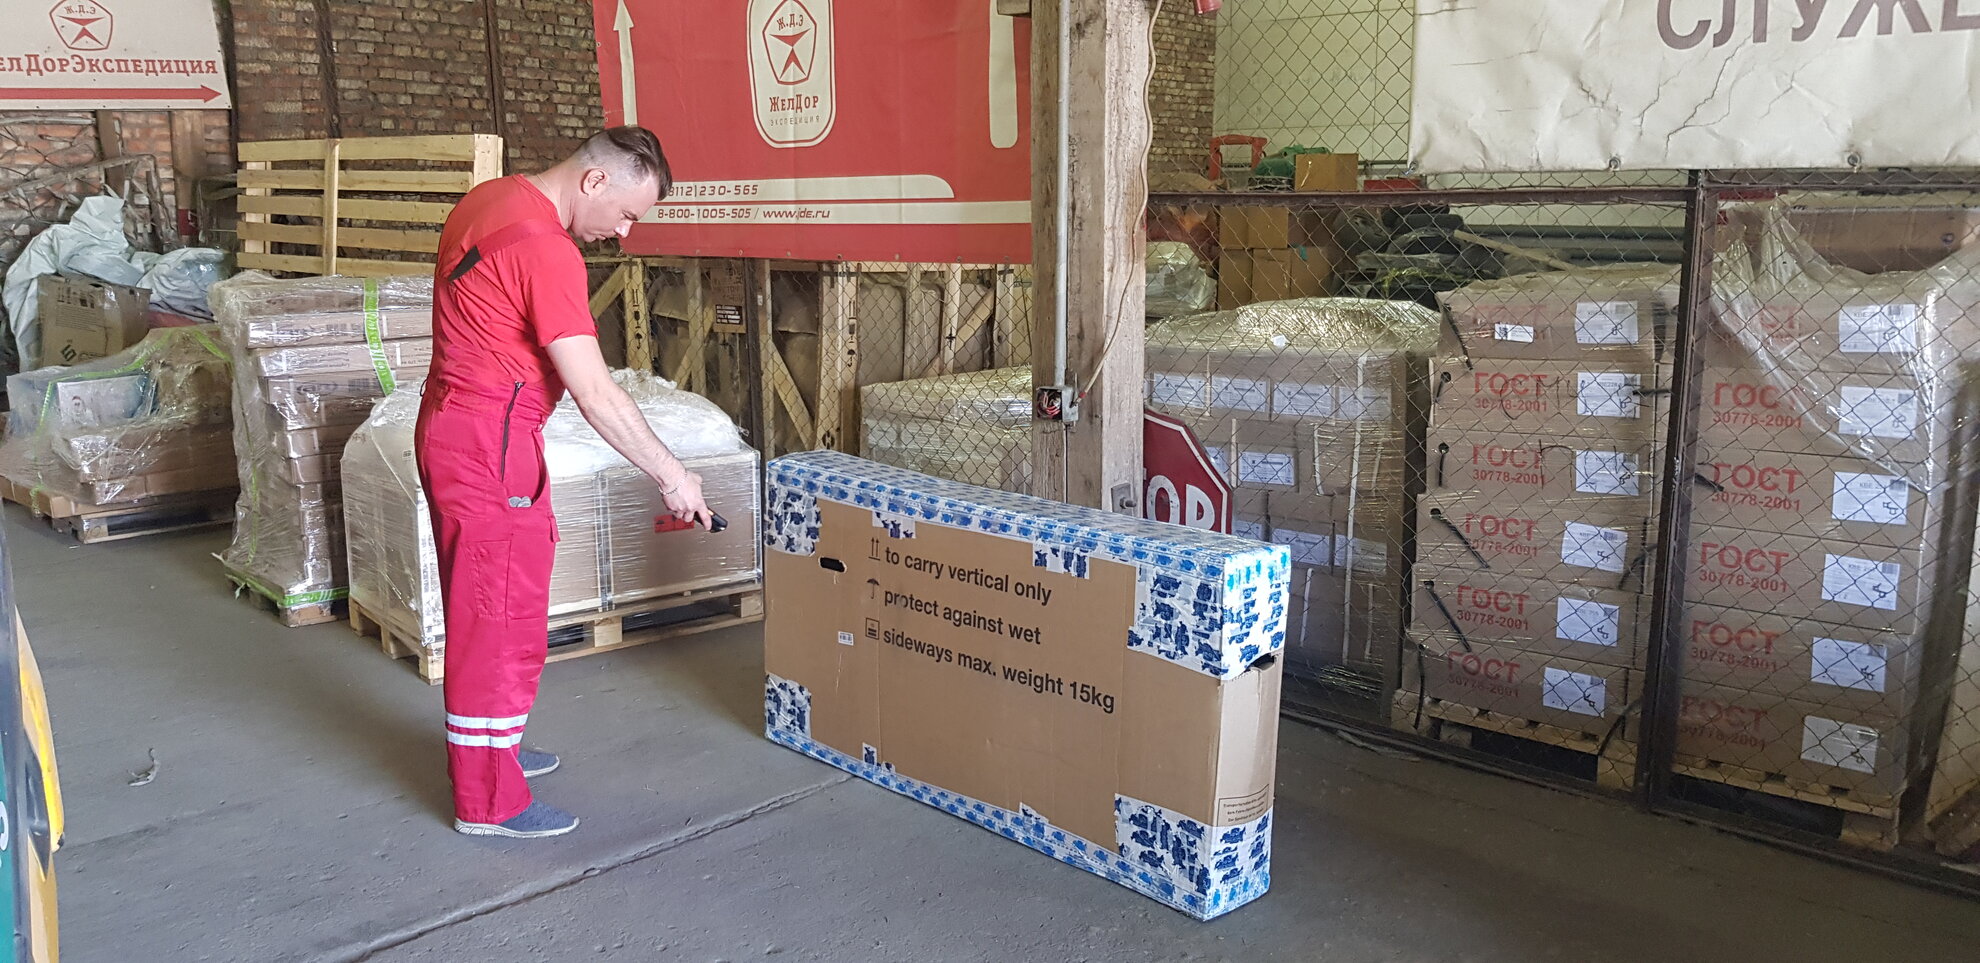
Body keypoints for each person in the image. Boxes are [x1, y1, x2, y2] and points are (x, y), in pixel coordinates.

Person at [415, 126, 713, 839]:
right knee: (498, 618)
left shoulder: (492, 199)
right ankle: (488, 800)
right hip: (491, 446)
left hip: (459, 426)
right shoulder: (546, 249)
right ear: (594, 180)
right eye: (628, 213)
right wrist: (673, 474)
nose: (625, 233)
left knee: (495, 607)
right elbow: (596, 391)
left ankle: (496, 749)